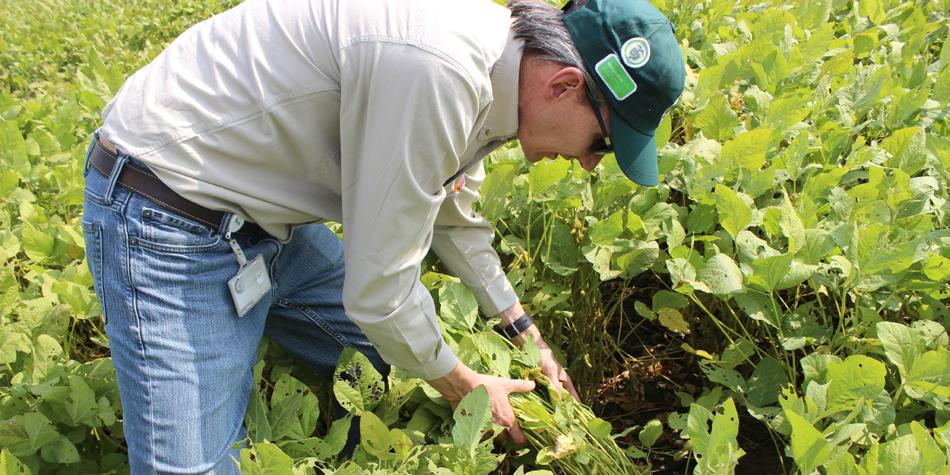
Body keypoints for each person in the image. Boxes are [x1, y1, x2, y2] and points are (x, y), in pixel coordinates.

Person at [80, 0, 684, 471]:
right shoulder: (441, 72)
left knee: (389, 369)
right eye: (602, 143)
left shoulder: (501, 64)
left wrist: (522, 330)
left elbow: (453, 212)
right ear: (565, 85)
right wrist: (465, 387)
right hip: (166, 208)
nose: (587, 163)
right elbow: (380, 291)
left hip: (265, 216)